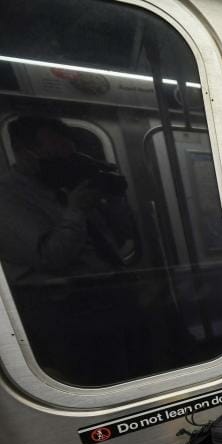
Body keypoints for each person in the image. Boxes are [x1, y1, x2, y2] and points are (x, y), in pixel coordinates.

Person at [0, 115, 137, 384]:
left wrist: (113, 199)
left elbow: (120, 237)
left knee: (125, 367)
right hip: (60, 307)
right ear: (23, 152)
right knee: (90, 376)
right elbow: (50, 257)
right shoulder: (8, 198)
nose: (62, 158)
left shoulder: (65, 185)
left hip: (105, 292)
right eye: (52, 151)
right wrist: (75, 211)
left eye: (67, 151)